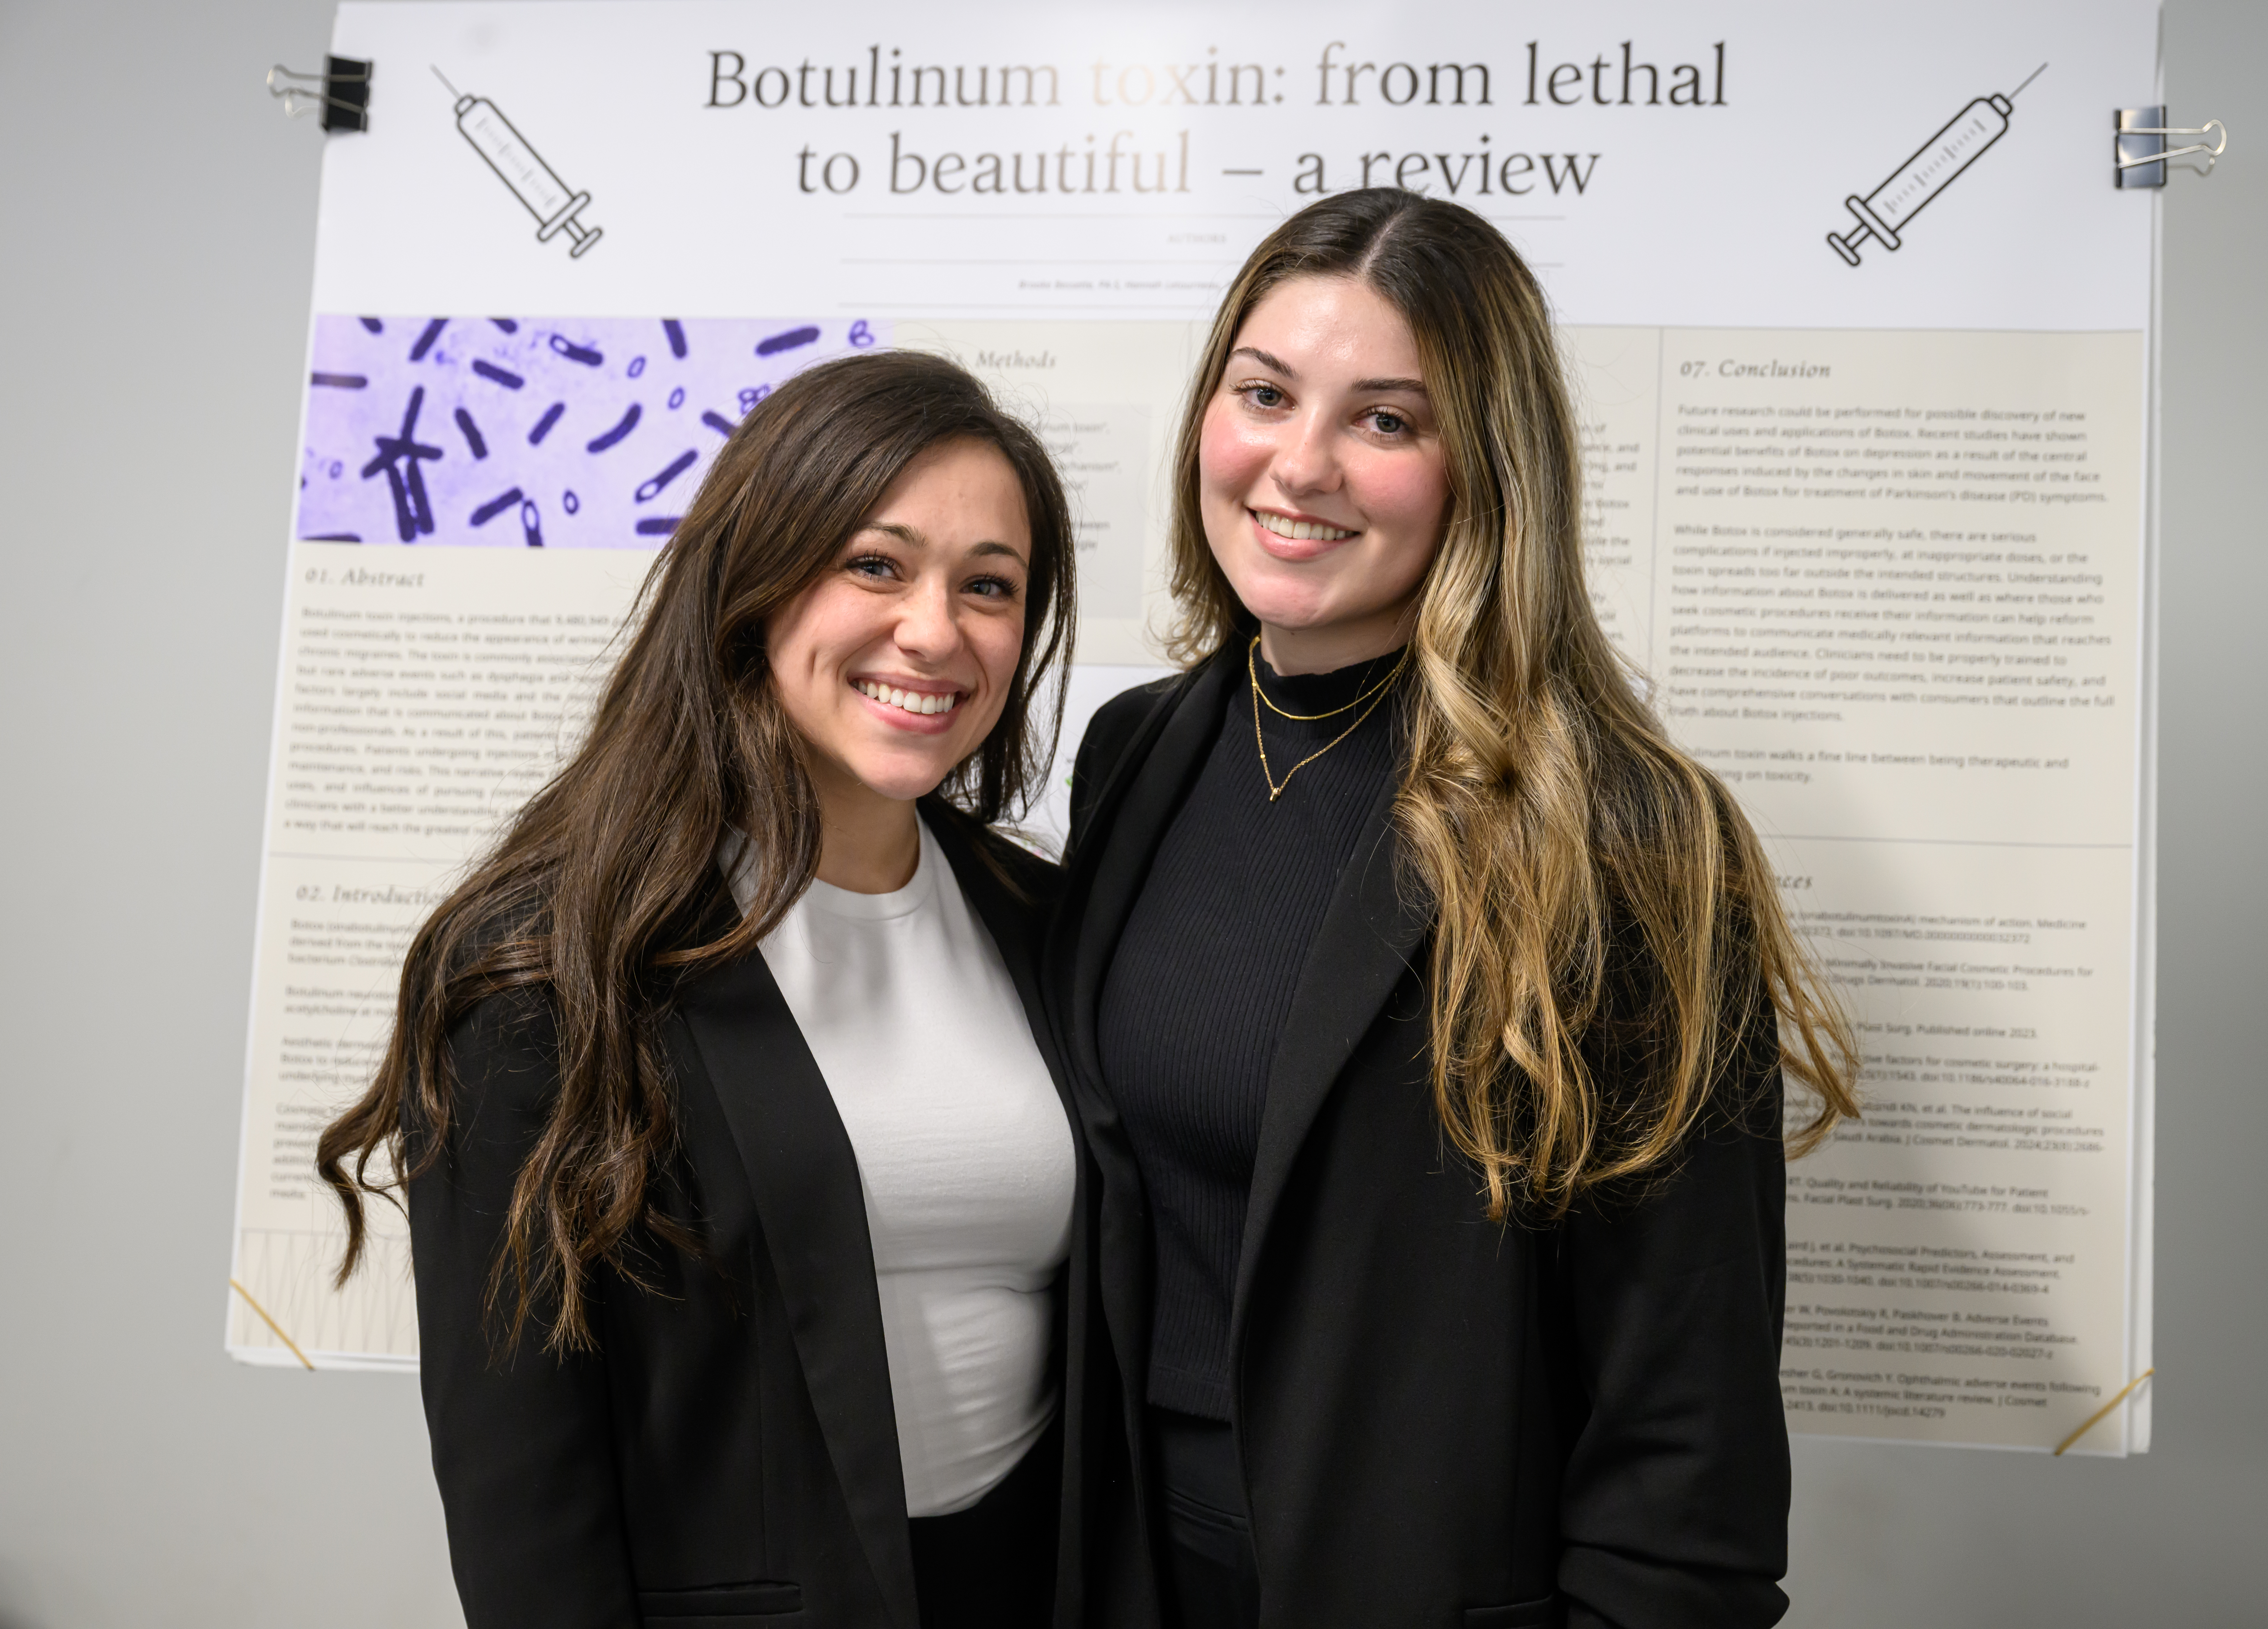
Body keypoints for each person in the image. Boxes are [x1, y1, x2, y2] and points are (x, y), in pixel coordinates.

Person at [1048, 189, 1861, 1628]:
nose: (1299, 464)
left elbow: (1692, 1430)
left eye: (1385, 420)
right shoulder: (1138, 751)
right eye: (1265, 393)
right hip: (1124, 1571)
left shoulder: (1623, 836)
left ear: (1486, 466)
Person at [318, 350, 1096, 1629]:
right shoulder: (547, 966)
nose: (936, 629)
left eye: (990, 586)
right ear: (756, 580)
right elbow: (524, 1495)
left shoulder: (1045, 919)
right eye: (876, 563)